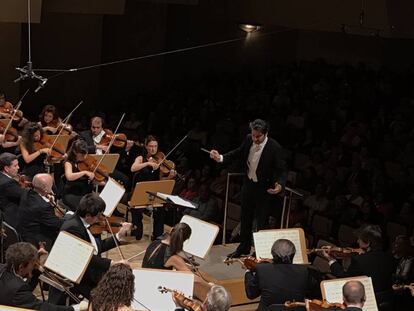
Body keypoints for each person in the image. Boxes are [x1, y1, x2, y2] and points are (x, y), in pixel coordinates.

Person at [210, 119, 287, 258]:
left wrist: (279, 185)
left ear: (265, 134)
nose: (255, 139)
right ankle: (243, 247)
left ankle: (260, 252)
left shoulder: (274, 147)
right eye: (253, 135)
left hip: (264, 189)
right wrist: (221, 157)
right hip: (249, 184)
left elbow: (281, 170)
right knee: (245, 218)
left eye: (258, 136)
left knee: (261, 221)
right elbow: (238, 152)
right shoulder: (248, 139)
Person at [51, 193, 132, 300]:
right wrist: (113, 263)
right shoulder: (73, 228)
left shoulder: (82, 223)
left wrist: (118, 236)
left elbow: (97, 248)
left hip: (89, 269)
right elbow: (84, 257)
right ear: (88, 215)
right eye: (99, 215)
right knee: (115, 286)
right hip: (80, 277)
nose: (101, 218)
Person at [322, 224, 395, 308]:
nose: (357, 241)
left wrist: (330, 259)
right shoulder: (389, 257)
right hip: (387, 303)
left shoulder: (360, 260)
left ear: (367, 243)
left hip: (367, 304)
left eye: (359, 239)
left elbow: (344, 276)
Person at [0, 242, 86, 311]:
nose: (34, 265)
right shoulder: (18, 289)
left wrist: (35, 265)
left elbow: (27, 291)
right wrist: (75, 308)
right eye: (32, 264)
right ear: (21, 267)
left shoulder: (4, 268)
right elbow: (42, 308)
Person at [244, 239, 315, 311]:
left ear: (273, 254)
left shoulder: (262, 269)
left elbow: (251, 294)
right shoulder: (304, 271)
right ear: (293, 255)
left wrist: (248, 271)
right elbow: (312, 294)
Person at [130, 135, 176, 240]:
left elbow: (160, 182)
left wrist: (169, 177)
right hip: (141, 191)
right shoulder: (141, 158)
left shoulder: (160, 160)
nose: (153, 149)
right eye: (150, 146)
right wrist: (147, 163)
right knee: (136, 209)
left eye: (155, 146)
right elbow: (133, 168)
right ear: (146, 146)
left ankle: (157, 235)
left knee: (161, 208)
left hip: (154, 191)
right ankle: (138, 230)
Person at [17, 173, 64, 251]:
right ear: (45, 189)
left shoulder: (26, 192)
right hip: (37, 241)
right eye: (51, 184)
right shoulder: (44, 206)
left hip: (24, 232)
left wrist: (45, 197)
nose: (52, 186)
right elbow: (56, 224)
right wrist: (68, 218)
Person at [61, 139, 95, 211]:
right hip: (72, 194)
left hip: (86, 194)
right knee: (85, 210)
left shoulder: (85, 163)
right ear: (74, 152)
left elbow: (95, 180)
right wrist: (84, 172)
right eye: (82, 154)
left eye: (86, 154)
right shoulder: (68, 163)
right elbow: (69, 176)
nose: (85, 157)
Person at [0, 152, 25, 228]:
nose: (18, 167)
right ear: (6, 169)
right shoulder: (8, 183)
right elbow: (25, 196)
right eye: (15, 165)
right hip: (13, 219)